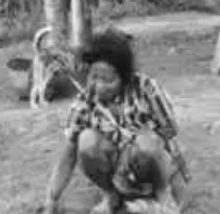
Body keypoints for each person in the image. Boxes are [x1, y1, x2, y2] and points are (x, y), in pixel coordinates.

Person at [43, 29, 189, 214]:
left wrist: (138, 144)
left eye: (108, 80)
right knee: (86, 140)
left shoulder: (146, 88)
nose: (99, 86)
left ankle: (162, 196)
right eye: (94, 77)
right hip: (118, 175)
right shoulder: (85, 101)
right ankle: (111, 195)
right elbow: (68, 154)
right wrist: (52, 198)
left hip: (154, 165)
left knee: (147, 143)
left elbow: (171, 128)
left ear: (125, 79)